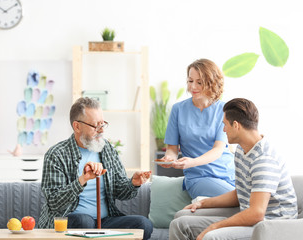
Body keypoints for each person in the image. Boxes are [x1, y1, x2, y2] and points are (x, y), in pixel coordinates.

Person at [169, 98, 298, 240]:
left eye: (225, 125)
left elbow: (257, 213)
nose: (223, 129)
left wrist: (215, 226)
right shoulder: (241, 151)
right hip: (251, 216)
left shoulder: (264, 159)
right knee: (180, 222)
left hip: (271, 226)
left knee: (211, 236)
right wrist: (202, 203)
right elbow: (240, 194)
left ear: (236, 125)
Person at [38, 97, 153, 240]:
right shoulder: (57, 154)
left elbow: (120, 191)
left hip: (103, 222)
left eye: (102, 124)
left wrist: (133, 183)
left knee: (143, 224)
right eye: (95, 125)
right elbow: (54, 202)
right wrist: (82, 180)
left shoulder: (107, 149)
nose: (101, 130)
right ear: (77, 126)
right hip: (70, 222)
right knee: (84, 221)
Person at [159, 59, 235, 199]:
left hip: (229, 174)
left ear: (211, 83)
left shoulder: (224, 110)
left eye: (199, 82)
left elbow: (218, 150)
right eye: (190, 81)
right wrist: (169, 158)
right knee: (241, 200)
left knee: (253, 201)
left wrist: (191, 162)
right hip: (199, 177)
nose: (193, 86)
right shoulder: (178, 109)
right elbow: (172, 148)